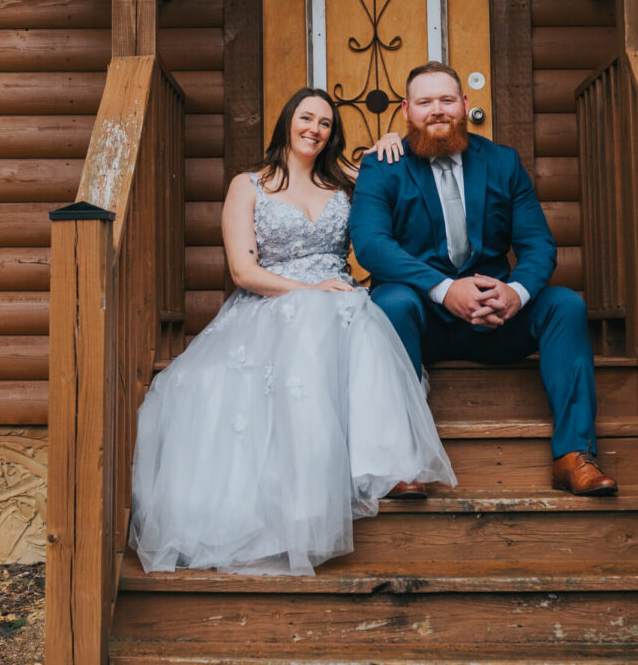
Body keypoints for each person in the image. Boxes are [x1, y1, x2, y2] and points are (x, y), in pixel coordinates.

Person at [128, 88, 456, 576]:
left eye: (326, 123)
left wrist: (394, 138)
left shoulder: (347, 178)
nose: (315, 130)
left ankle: (385, 469)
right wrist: (306, 292)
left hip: (339, 298)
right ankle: (298, 500)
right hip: (271, 299)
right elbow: (243, 271)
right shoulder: (248, 185)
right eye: (307, 118)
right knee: (307, 329)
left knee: (361, 324)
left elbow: (397, 176)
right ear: (287, 122)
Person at [349, 61, 618, 496]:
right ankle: (399, 460)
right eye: (425, 102)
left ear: (465, 105)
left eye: (446, 99)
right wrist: (444, 290)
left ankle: (574, 455)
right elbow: (372, 245)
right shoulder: (383, 166)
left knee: (565, 305)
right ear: (406, 111)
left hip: (494, 320)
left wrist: (514, 292)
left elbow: (538, 244)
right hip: (422, 322)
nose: (437, 110)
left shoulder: (502, 162)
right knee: (391, 301)